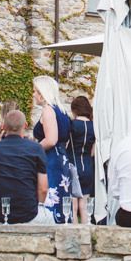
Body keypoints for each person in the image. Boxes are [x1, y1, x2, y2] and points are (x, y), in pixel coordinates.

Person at [0, 110, 55, 224]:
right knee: (50, 218)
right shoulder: (36, 149)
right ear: (25, 125)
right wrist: (39, 205)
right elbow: (43, 189)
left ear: (3, 126)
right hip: (30, 213)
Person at [32, 75, 73, 223]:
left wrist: (33, 148)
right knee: (63, 199)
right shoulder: (62, 111)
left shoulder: (48, 110)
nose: (34, 94)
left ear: (43, 93)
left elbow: (51, 139)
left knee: (52, 197)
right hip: (62, 157)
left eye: (36, 91)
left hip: (51, 160)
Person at [67, 95, 95, 224]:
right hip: (88, 165)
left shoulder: (72, 124)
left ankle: (75, 235)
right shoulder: (94, 126)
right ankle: (87, 235)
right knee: (84, 206)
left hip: (73, 165)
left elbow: (66, 144)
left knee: (73, 206)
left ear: (74, 109)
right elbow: (93, 151)